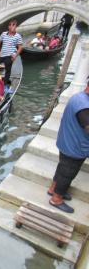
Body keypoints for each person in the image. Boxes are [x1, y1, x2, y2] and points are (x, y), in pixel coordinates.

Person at [48, 79, 89, 213]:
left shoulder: (78, 97)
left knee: (62, 168)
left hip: (66, 141)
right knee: (68, 173)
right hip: (75, 147)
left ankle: (53, 188)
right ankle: (56, 199)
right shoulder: (84, 107)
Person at [0, 19, 23, 89]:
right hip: (1, 55)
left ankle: (4, 85)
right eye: (11, 25)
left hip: (10, 56)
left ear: (16, 26)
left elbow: (20, 47)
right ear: (8, 26)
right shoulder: (3, 34)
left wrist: (15, 55)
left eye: (14, 25)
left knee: (8, 71)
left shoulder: (18, 36)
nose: (12, 27)